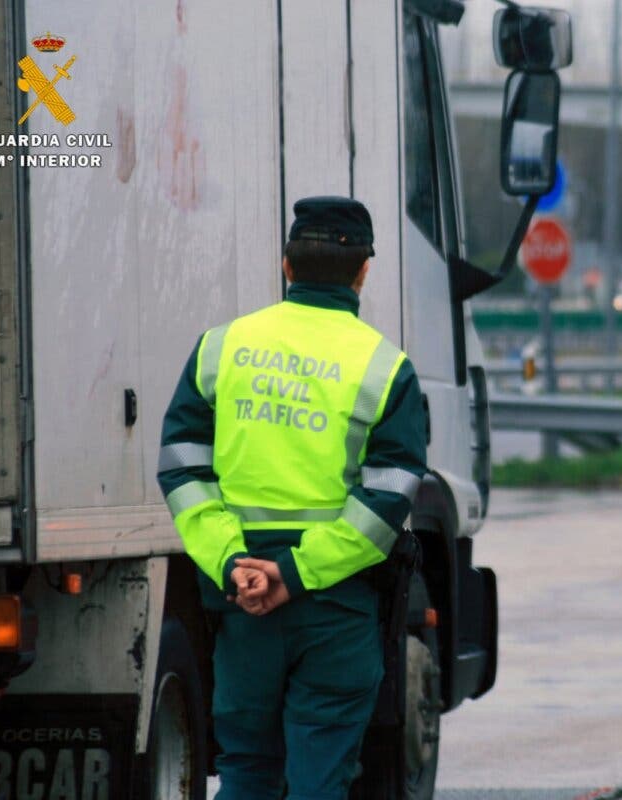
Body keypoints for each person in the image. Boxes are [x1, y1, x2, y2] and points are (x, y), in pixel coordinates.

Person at [156, 196, 428, 800]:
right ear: (363, 271)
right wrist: (295, 572)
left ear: (285, 265)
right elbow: (388, 501)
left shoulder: (220, 349)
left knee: (247, 769)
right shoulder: (385, 369)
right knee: (319, 779)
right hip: (335, 607)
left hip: (242, 602)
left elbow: (181, 468)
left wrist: (234, 563)